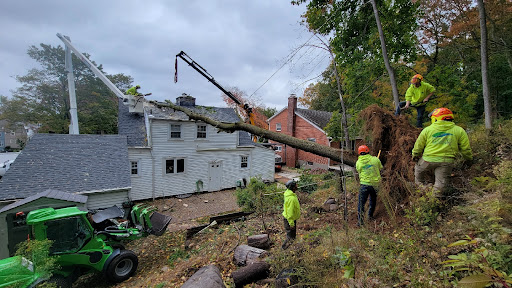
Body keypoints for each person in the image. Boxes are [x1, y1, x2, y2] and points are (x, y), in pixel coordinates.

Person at [412, 108, 473, 194]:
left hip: (427, 160)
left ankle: (422, 188)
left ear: (435, 118)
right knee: (441, 186)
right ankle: (435, 199)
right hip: (446, 161)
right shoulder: (459, 130)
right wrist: (469, 159)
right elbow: (465, 149)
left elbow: (418, 146)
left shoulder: (427, 130)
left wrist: (415, 155)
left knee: (418, 171)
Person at [355, 145, 383, 226]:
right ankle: (370, 216)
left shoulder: (358, 163)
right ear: (368, 151)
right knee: (373, 201)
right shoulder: (375, 159)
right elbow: (381, 168)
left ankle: (360, 222)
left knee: (361, 203)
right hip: (375, 185)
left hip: (364, 185)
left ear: (359, 153)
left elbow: (359, 171)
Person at [282, 179, 300, 249]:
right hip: (289, 220)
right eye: (295, 185)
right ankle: (283, 250)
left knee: (293, 237)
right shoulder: (291, 198)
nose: (297, 186)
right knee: (290, 237)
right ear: (293, 187)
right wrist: (291, 224)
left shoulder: (289, 193)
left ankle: (291, 250)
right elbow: (290, 212)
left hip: (291, 219)